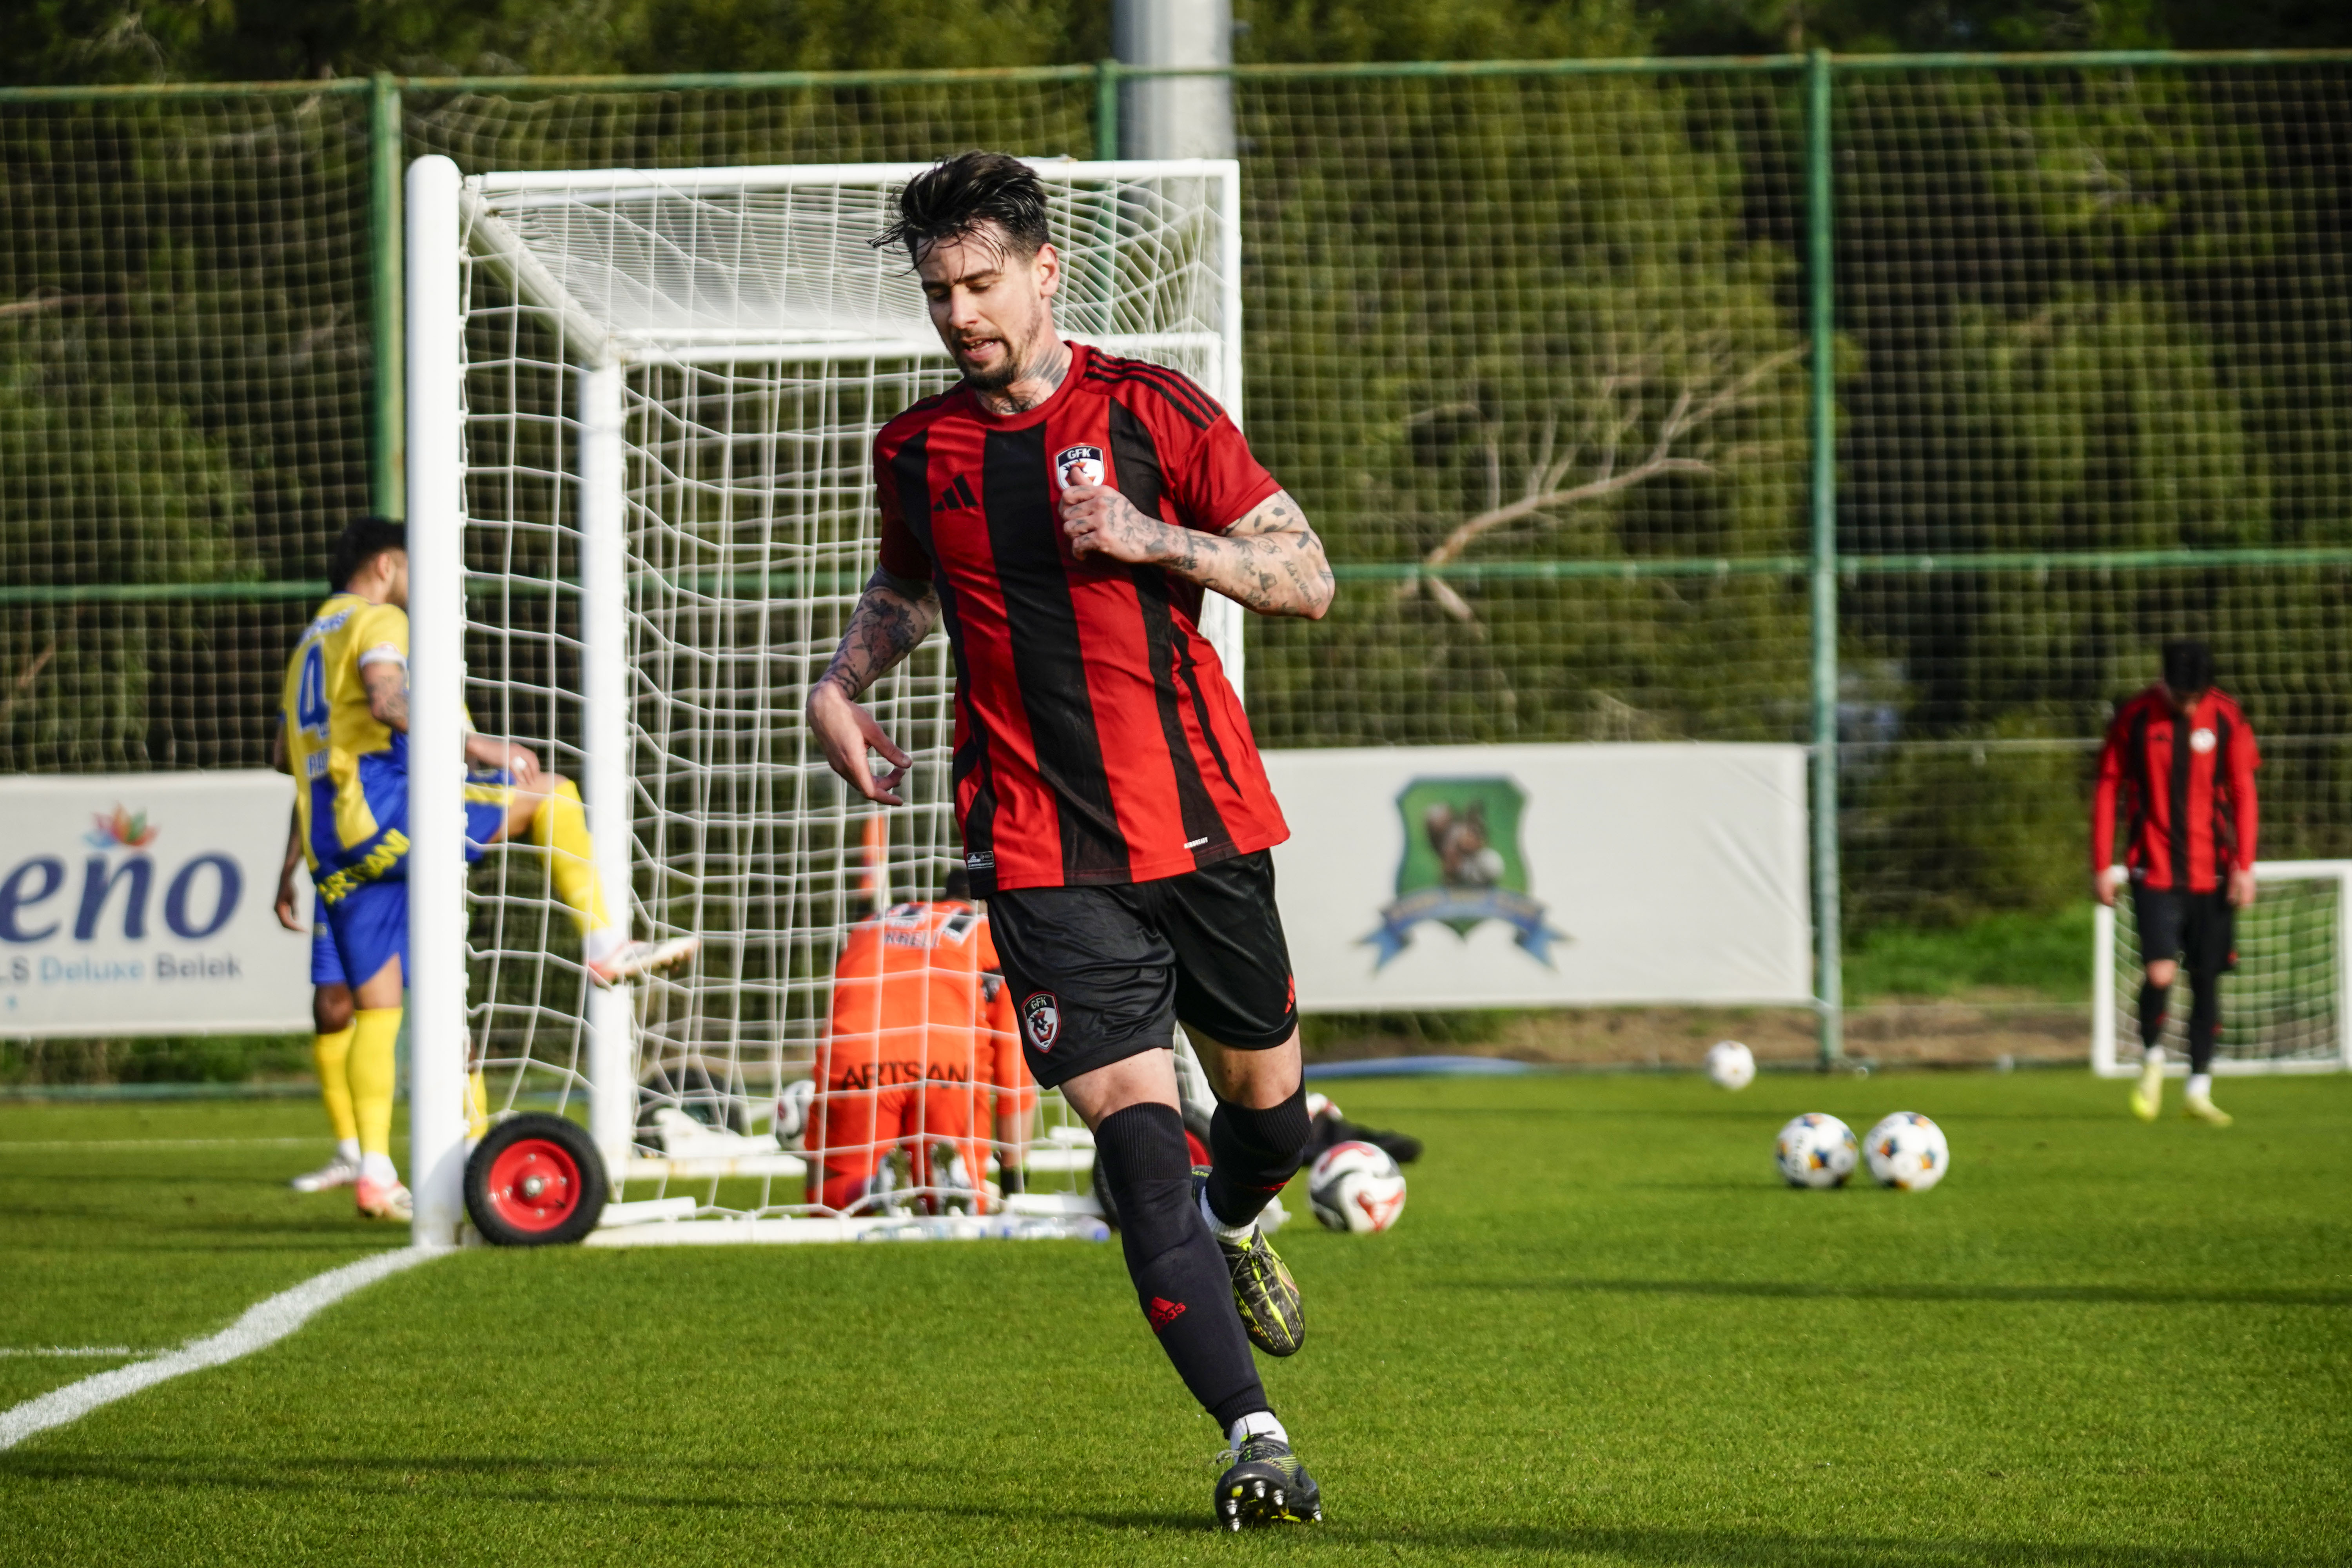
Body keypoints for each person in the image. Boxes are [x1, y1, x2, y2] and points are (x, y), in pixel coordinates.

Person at [806, 152, 1336, 1530]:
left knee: (1267, 1122)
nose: (961, 314)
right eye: (939, 291)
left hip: (1204, 828)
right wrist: (841, 683)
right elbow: (907, 584)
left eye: (982, 283)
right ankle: (1255, 1436)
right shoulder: (915, 450)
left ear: (1046, 273)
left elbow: (1306, 575)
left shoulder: (1155, 410)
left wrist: (1159, 539)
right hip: (1037, 851)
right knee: (1138, 1149)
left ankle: (1240, 1221)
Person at [274, 515, 698, 1219]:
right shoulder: (379, 619)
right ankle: (604, 944)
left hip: (334, 848)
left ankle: (376, 1172)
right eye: (411, 564)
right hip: (387, 813)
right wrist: (477, 745)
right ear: (386, 565)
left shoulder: (307, 646)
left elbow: (290, 759)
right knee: (552, 794)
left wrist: (290, 864)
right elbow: (386, 697)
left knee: (382, 1009)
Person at [2091, 638, 2259, 1126]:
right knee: (2161, 972)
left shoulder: (2226, 716)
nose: (2188, 705)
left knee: (2206, 980)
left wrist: (2245, 865)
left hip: (2214, 872)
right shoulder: (2136, 717)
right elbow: (2108, 786)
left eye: (2194, 697)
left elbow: (2244, 791)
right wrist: (2101, 864)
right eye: (2180, 695)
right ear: (2163, 681)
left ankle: (2198, 1090)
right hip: (2154, 869)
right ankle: (2151, 1059)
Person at [806, 867, 1034, 1214]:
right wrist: (1013, 1182)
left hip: (861, 1051)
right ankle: (959, 1190)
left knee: (830, 1193)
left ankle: (870, 1188)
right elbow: (1012, 1071)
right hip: (948, 1062)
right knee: (958, 1193)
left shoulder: (869, 924)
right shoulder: (994, 936)